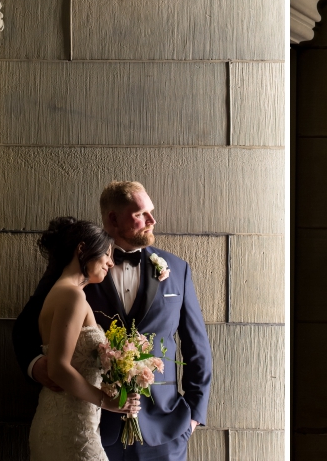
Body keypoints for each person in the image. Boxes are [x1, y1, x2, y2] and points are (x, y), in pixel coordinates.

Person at [15, 181, 212, 461]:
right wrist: (37, 367)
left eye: (151, 212)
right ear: (113, 218)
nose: (152, 220)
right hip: (94, 427)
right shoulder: (76, 269)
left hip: (165, 429)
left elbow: (197, 346)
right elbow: (25, 327)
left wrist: (193, 415)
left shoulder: (177, 269)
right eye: (140, 214)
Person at [28, 217, 139, 460]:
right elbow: (58, 368)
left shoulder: (59, 292)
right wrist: (107, 402)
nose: (111, 262)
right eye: (106, 254)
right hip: (72, 431)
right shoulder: (73, 296)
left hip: (63, 421)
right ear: (82, 249)